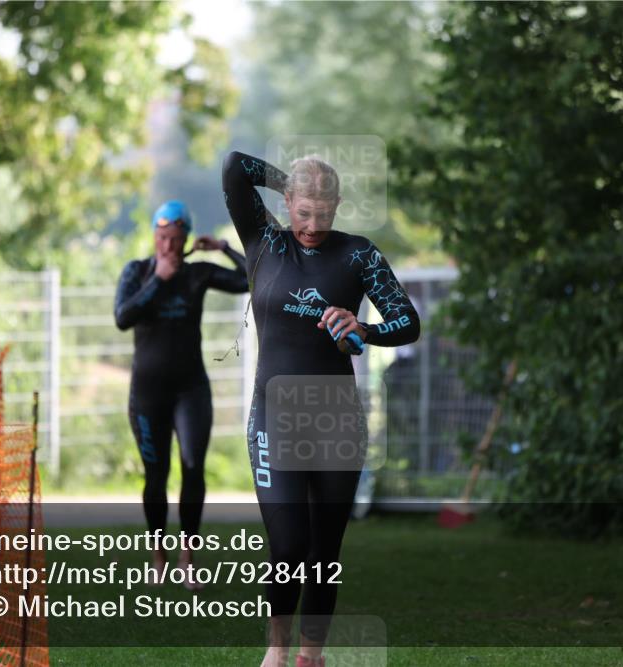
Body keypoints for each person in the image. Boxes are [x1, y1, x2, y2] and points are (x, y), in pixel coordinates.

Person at [222, 151, 420, 667]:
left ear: (337, 208)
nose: (311, 226)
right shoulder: (265, 242)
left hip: (337, 420)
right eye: (302, 211)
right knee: (287, 546)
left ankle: (312, 657)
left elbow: (408, 321)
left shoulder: (358, 255)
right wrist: (298, 178)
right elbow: (234, 167)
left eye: (323, 214)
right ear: (286, 203)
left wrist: (365, 329)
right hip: (275, 416)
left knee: (323, 553)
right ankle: (276, 651)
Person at [114, 199, 248, 590]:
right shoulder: (137, 272)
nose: (169, 247)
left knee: (192, 467)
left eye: (176, 239)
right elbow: (123, 317)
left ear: (187, 239)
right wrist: (159, 278)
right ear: (154, 237)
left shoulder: (198, 275)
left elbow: (250, 280)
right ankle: (159, 557)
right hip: (148, 395)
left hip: (190, 390)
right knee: (156, 476)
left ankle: (188, 557)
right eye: (162, 238)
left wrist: (223, 248)